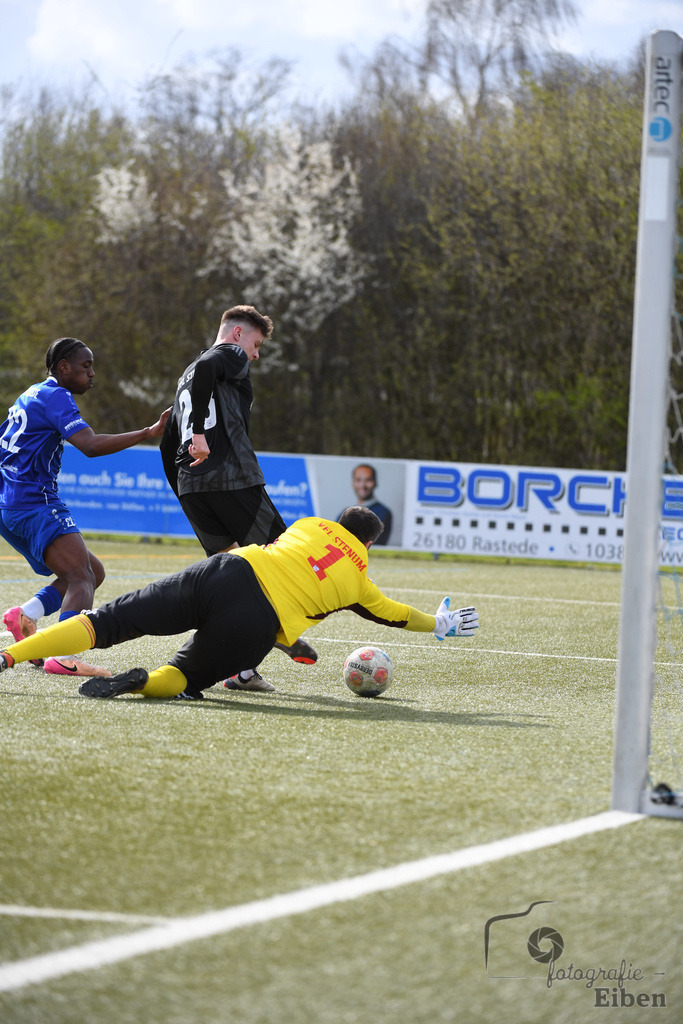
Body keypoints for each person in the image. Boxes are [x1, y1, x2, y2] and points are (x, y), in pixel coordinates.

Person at [0, 507, 480, 700]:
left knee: (106, 621)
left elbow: (290, 561)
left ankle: (10, 655)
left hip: (227, 571)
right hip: (254, 623)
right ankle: (142, 681)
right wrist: (436, 623)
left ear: (336, 521)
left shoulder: (308, 525)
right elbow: (395, 614)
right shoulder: (359, 584)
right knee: (183, 676)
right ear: (369, 547)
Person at [160, 304, 317, 692]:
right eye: (256, 343)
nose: (255, 354)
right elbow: (216, 365)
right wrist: (199, 433)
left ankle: (236, 666)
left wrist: (181, 486)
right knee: (286, 561)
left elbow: (167, 440)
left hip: (194, 486)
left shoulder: (186, 376)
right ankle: (260, 651)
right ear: (236, 335)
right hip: (231, 478)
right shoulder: (225, 355)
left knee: (231, 579)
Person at [0, 336, 170, 677]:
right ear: (63, 367)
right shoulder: (56, 395)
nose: (92, 374)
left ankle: (26, 616)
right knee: (81, 576)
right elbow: (89, 445)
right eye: (85, 366)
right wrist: (149, 431)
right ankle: (65, 655)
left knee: (93, 572)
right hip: (35, 502)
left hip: (10, 505)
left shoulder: (30, 393)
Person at [338, 463, 393, 546]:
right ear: (353, 483)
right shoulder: (345, 512)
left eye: (368, 480)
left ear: (375, 483)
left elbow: (376, 543)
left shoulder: (383, 512)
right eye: (358, 480)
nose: (363, 485)